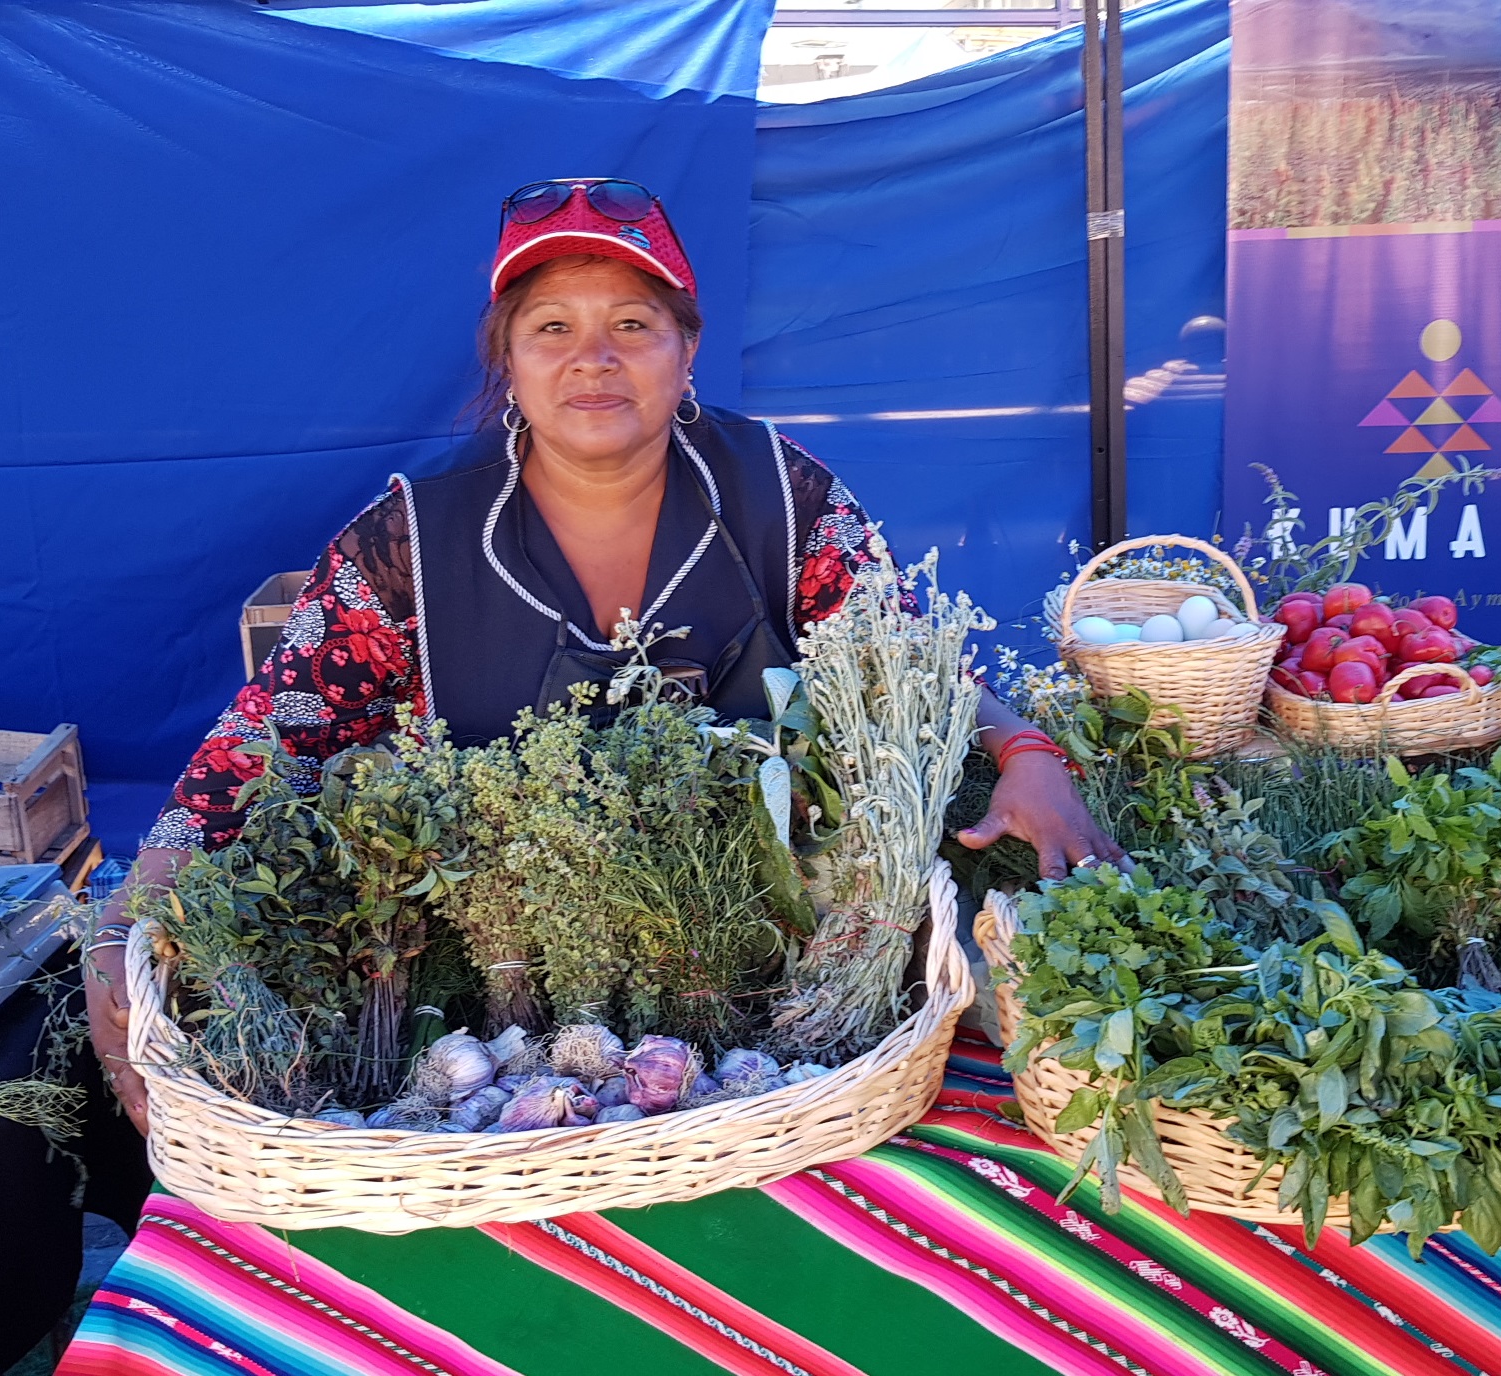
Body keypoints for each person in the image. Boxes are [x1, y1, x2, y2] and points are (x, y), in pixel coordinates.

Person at [84, 176, 1124, 1131]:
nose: (594, 357)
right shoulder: (410, 540)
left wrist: (1028, 749)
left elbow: (902, 659)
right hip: (498, 999)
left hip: (774, 962)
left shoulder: (778, 492)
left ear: (686, 351)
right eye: (552, 327)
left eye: (633, 323)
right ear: (507, 357)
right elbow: (266, 741)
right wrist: (124, 920)